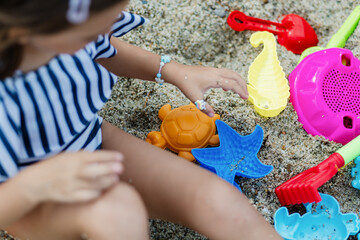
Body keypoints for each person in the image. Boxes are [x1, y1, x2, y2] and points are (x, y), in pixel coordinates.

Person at [0, 0, 282, 239]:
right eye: (92, 32)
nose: (107, 31)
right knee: (116, 211)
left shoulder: (65, 28)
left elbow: (105, 49)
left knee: (217, 199)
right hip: (23, 196)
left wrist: (171, 70)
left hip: (87, 140)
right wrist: (36, 184)